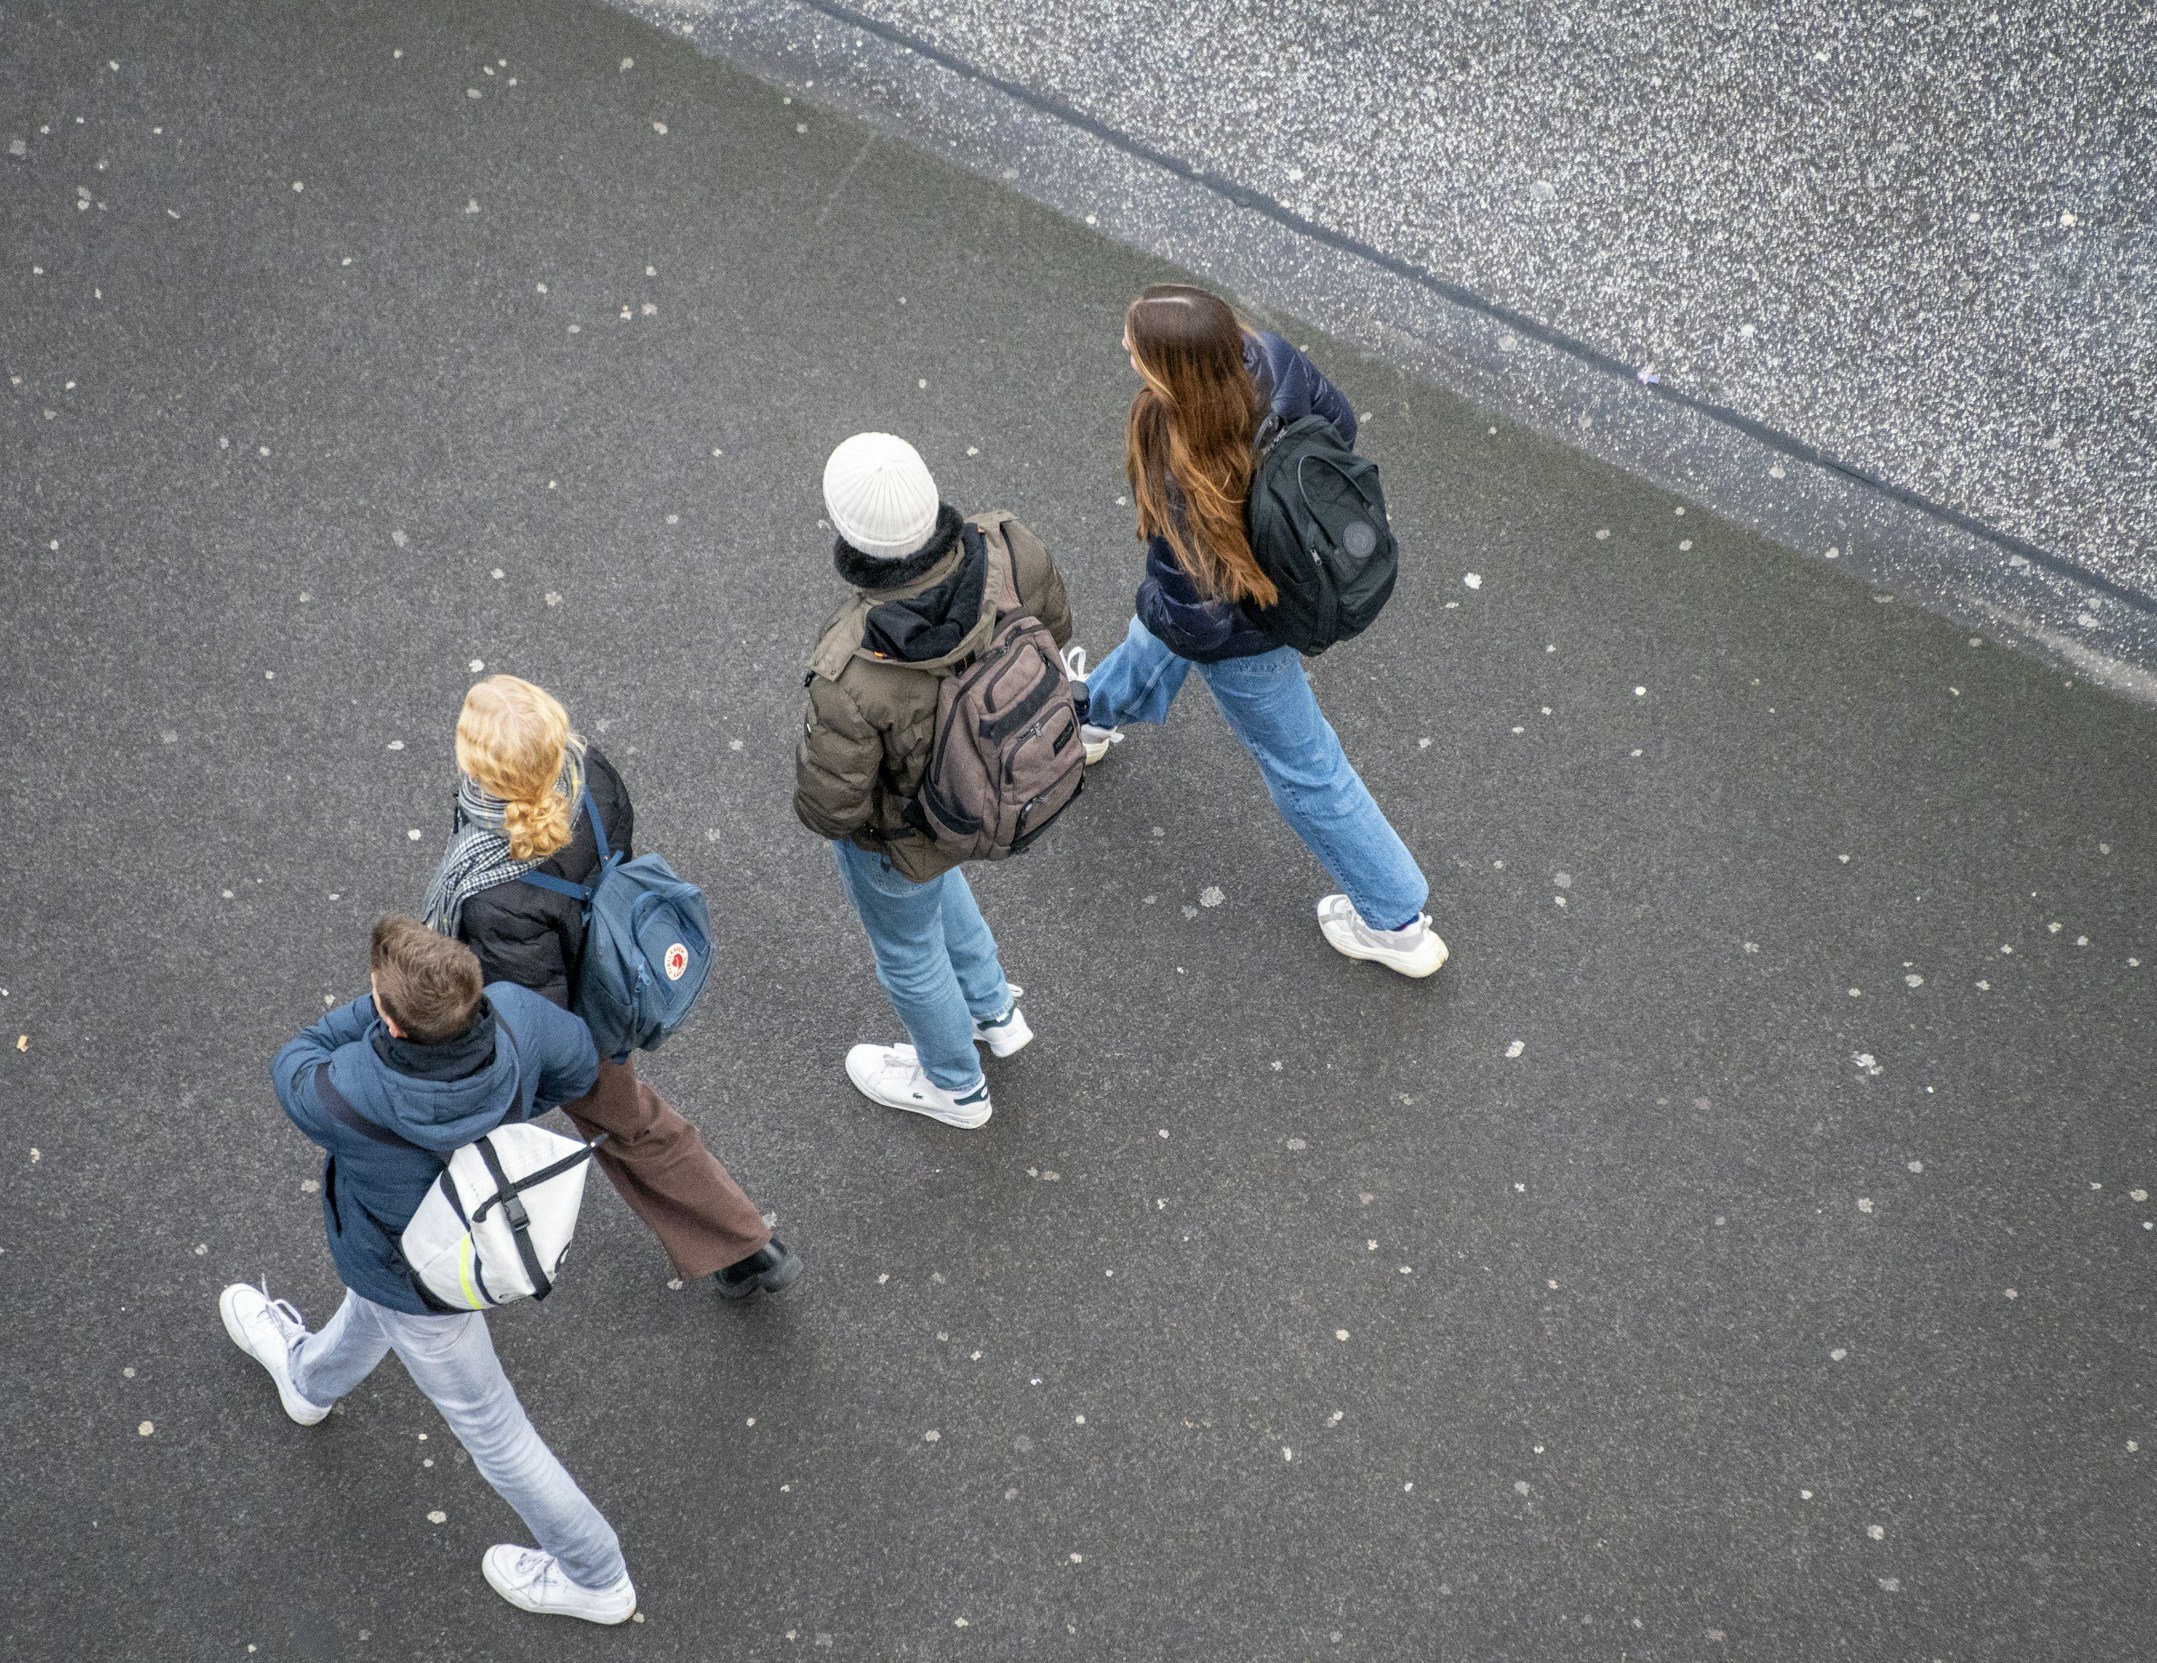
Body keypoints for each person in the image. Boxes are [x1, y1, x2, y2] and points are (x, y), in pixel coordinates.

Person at [219, 916, 638, 1625]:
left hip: (406, 1268)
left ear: (394, 1021)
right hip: (471, 1241)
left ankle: (597, 1574)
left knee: (496, 1432)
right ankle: (308, 1378)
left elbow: (295, 1058)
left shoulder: (350, 1090)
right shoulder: (520, 1020)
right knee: (374, 1313)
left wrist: (374, 1008)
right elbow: (576, 1066)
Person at [1072, 284, 1448, 977]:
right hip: (1279, 588)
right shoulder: (1266, 356)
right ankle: (1089, 715)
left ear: (1172, 372)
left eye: (1137, 344)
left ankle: (1396, 919)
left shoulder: (1172, 448)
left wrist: (1165, 604)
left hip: (1241, 633)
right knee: (1155, 631)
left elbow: (1195, 619)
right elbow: (1340, 423)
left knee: (1308, 769)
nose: (1125, 347)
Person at [422, 674, 798, 1300]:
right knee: (637, 1125)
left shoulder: (492, 890)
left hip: (567, 1024)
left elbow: (530, 1014)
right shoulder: (588, 771)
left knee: (437, 1115)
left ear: (483, 770)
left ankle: (439, 1250)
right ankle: (745, 1246)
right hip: (610, 979)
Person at [795, 431, 1074, 1127]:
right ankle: (993, 1009)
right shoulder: (1010, 546)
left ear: (850, 537)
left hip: (908, 830)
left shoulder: (853, 666)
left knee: (908, 953)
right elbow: (1058, 630)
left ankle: (954, 1083)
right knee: (941, 889)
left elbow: (830, 807)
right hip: (986, 793)